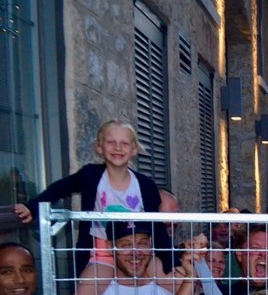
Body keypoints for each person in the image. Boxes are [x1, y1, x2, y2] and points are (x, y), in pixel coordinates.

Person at [13, 119, 174, 278]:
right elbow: (59, 188)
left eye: (124, 143)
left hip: (137, 254)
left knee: (174, 283)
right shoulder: (90, 175)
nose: (117, 147)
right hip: (102, 252)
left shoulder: (146, 185)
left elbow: (157, 227)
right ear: (99, 147)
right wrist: (32, 207)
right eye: (110, 142)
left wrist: (171, 262)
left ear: (134, 149)